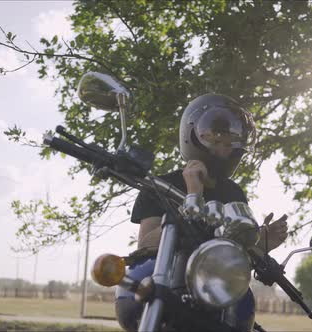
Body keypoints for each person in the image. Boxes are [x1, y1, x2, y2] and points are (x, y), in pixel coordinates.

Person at [115, 93, 289, 332]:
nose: (223, 151)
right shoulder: (158, 185)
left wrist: (263, 243)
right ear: (194, 137)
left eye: (229, 145)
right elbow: (145, 246)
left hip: (214, 295)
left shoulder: (233, 192)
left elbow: (233, 259)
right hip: (169, 286)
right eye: (216, 142)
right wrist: (192, 195)